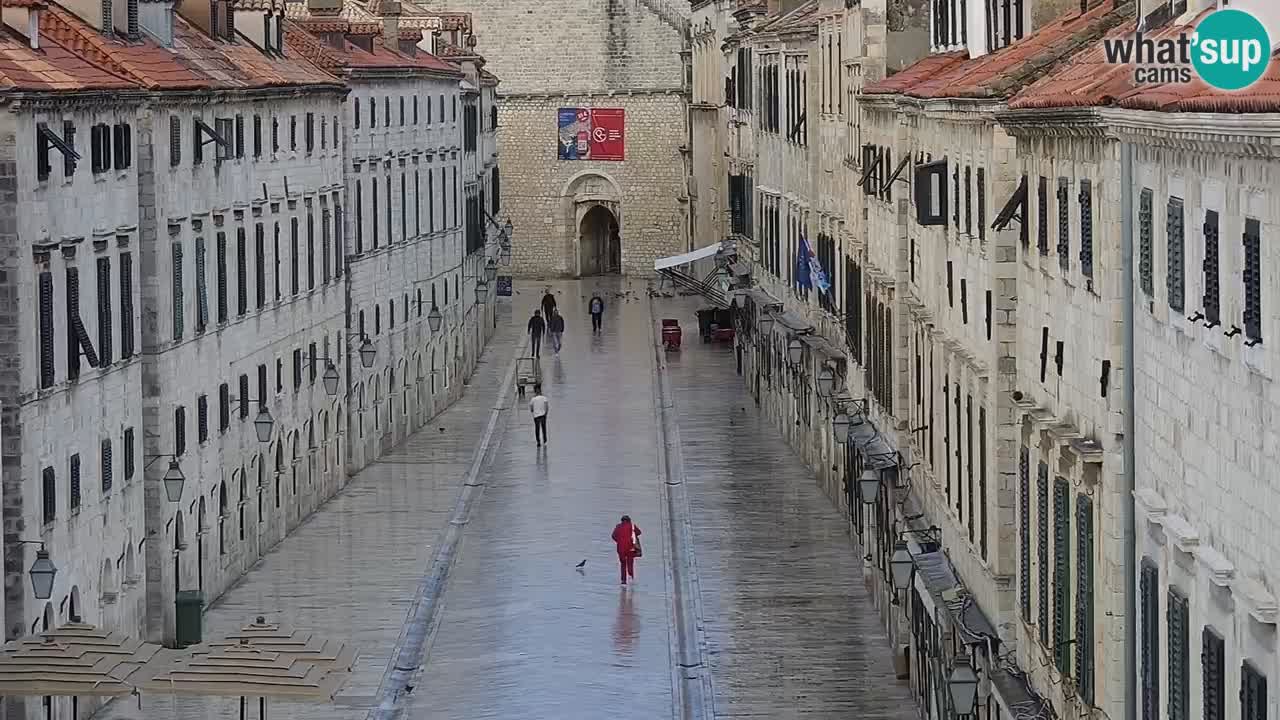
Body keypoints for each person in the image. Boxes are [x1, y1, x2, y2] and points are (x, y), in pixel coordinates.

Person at [611, 515, 641, 586]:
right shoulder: (632, 526)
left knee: (623, 564)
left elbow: (613, 536)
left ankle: (623, 581)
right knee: (630, 563)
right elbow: (639, 532)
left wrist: (619, 541)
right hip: (630, 548)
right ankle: (631, 578)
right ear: (629, 520)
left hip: (620, 548)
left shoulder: (618, 527)